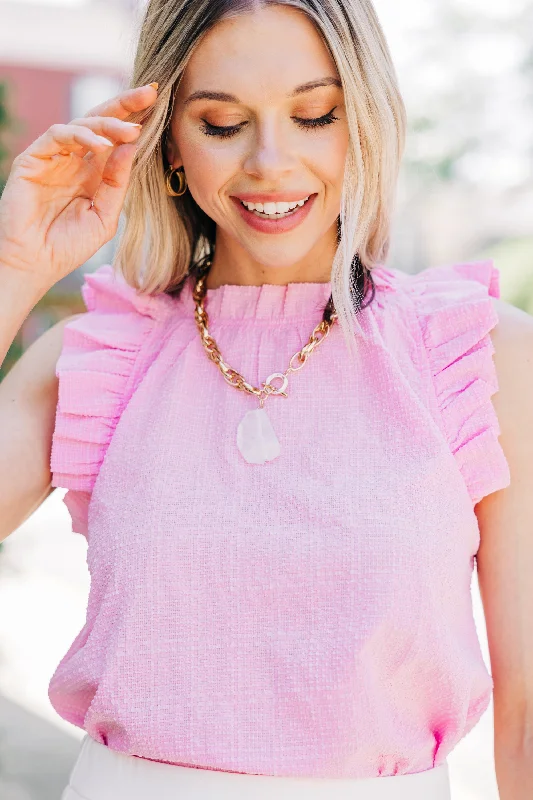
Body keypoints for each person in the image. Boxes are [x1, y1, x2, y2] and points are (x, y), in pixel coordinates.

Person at [0, 1, 532, 798]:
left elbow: (525, 712)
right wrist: (13, 267)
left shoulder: (477, 352)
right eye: (221, 124)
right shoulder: (106, 352)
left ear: (366, 127)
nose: (271, 162)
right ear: (170, 145)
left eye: (314, 114)